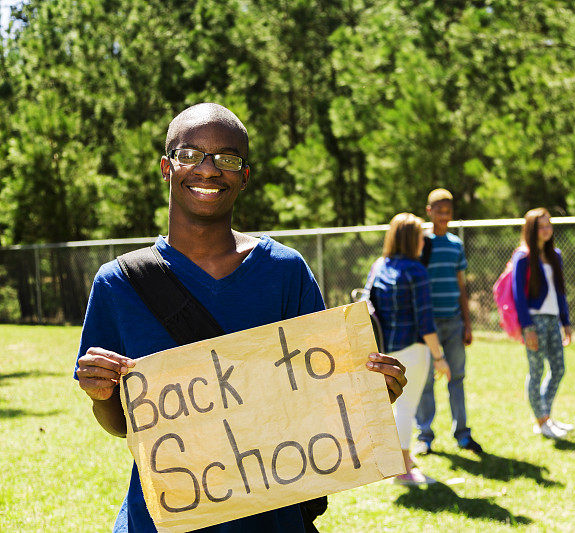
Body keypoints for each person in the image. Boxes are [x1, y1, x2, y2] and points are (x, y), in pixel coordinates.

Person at [73, 103, 408, 532]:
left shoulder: (285, 271)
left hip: (273, 519)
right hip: (164, 518)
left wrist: (370, 392)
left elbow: (321, 406)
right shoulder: (118, 283)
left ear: (244, 176)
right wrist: (101, 393)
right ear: (166, 167)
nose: (208, 170)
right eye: (190, 154)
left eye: (227, 159)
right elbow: (122, 426)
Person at [369, 212, 451, 485]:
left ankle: (401, 460)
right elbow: (426, 322)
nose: (424, 242)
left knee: (395, 407)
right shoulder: (417, 270)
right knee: (405, 408)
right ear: (410, 239)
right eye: (420, 237)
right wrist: (439, 357)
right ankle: (402, 469)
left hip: (383, 351)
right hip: (413, 351)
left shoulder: (380, 265)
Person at [414, 188, 484, 456]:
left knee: (456, 377)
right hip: (428, 326)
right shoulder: (423, 243)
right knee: (425, 380)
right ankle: (425, 436)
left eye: (448, 211)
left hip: (453, 322)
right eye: (439, 210)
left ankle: (462, 433)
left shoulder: (455, 244)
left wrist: (467, 323)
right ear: (429, 211)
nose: (444, 216)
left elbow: (461, 287)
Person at [511, 209, 573, 440]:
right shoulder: (523, 256)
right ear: (531, 229)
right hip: (534, 321)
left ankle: (546, 415)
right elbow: (518, 295)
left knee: (558, 369)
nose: (546, 230)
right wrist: (527, 328)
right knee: (536, 372)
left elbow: (560, 291)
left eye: (549, 225)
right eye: (541, 226)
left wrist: (566, 322)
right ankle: (541, 420)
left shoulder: (555, 255)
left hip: (553, 319)